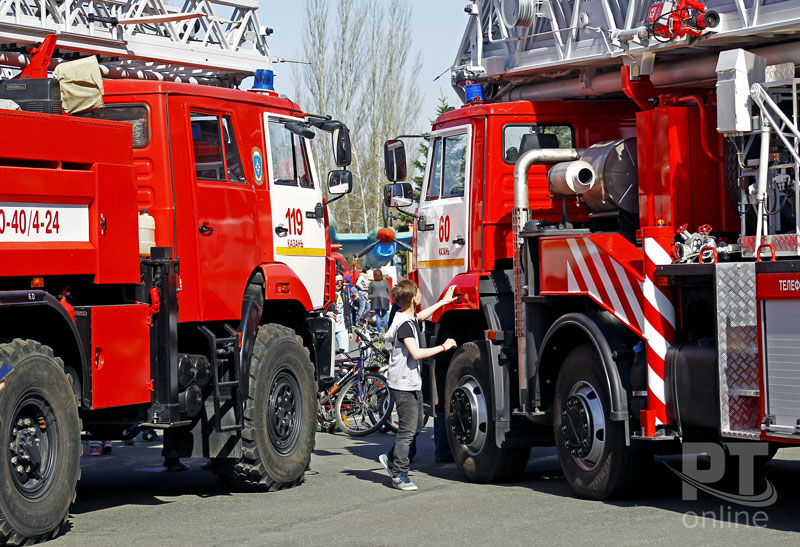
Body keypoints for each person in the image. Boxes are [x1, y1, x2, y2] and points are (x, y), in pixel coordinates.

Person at [378, 280, 457, 491]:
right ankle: (399, 474)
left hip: (411, 382)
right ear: (413, 298)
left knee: (417, 425)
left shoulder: (406, 317)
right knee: (407, 429)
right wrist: (444, 346)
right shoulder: (404, 325)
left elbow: (420, 317)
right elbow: (416, 353)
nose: (421, 294)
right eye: (419, 293)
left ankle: (390, 457)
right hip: (403, 384)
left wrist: (444, 302)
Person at [327, 274, 353, 352]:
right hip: (329, 328)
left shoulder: (344, 294)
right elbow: (318, 310)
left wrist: (349, 331)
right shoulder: (327, 294)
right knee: (328, 355)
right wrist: (326, 313)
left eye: (341, 281)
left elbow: (347, 313)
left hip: (342, 328)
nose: (339, 284)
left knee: (345, 355)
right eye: (336, 282)